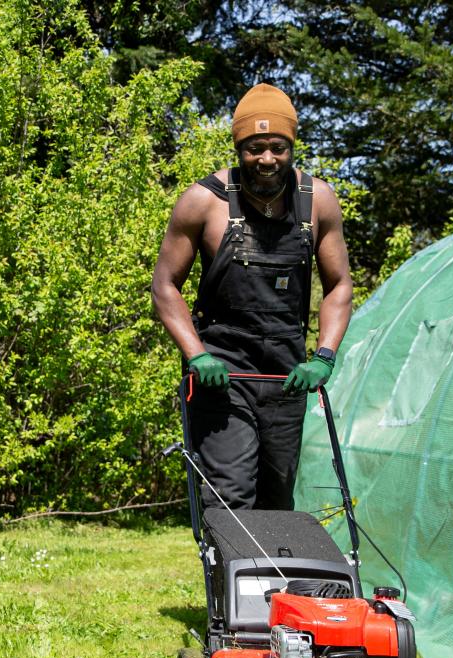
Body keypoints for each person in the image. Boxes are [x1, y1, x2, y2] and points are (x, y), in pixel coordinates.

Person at [151, 83, 352, 511]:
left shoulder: (318, 201)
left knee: (277, 499)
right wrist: (196, 355)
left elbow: (338, 286)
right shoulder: (203, 203)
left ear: (291, 146)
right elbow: (165, 285)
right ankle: (229, 578)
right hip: (221, 373)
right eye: (253, 148)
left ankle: (273, 582)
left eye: (277, 147)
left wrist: (324, 356)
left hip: (285, 375)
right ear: (238, 148)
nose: (266, 159)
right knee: (230, 496)